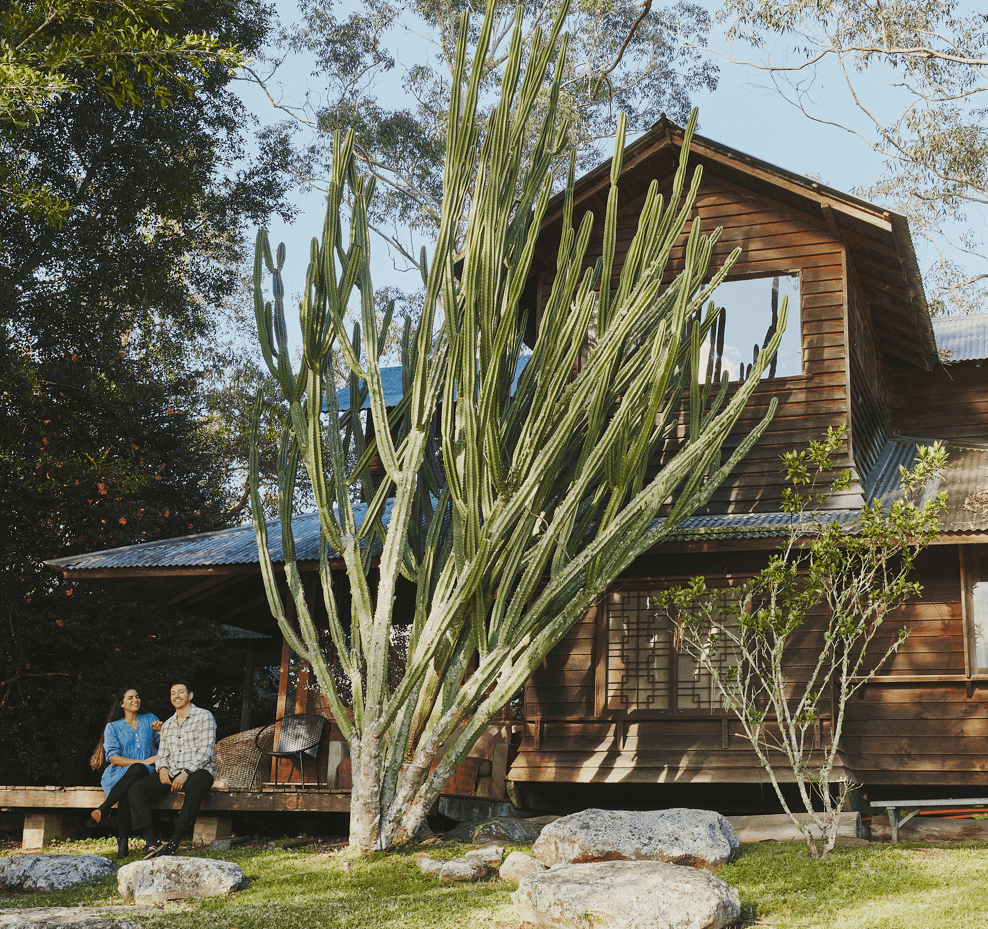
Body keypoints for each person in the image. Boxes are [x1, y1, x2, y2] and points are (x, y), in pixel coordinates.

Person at [128, 680, 216, 858]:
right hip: (173, 771)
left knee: (196, 785)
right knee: (136, 790)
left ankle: (175, 840)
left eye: (181, 692)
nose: (176, 696)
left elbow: (207, 750)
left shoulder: (204, 716)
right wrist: (161, 769)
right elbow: (163, 754)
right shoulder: (167, 724)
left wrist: (187, 772)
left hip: (199, 771)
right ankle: (151, 842)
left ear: (190, 696)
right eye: (173, 693)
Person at [88, 686, 161, 858]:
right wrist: (141, 761)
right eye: (130, 698)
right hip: (119, 773)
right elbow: (113, 758)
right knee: (130, 787)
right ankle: (123, 847)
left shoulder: (150, 719)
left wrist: (162, 731)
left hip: (148, 771)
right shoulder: (113, 727)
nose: (135, 700)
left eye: (137, 697)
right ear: (121, 703)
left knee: (139, 770)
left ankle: (104, 809)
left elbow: (164, 744)